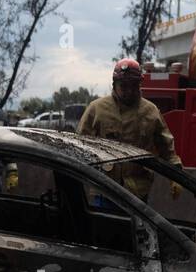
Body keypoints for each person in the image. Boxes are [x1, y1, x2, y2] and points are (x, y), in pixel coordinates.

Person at [77, 58, 181, 201]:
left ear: (139, 84)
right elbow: (79, 145)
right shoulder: (96, 109)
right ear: (114, 84)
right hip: (104, 189)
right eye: (124, 86)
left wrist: (176, 177)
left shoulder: (151, 112)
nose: (129, 90)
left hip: (137, 193)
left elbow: (167, 148)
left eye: (133, 85)